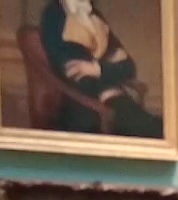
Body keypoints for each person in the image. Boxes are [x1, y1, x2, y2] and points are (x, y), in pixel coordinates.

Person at [38, 0, 165, 138]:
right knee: (153, 132)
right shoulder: (54, 13)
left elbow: (128, 66)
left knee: (161, 130)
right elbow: (71, 69)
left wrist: (97, 69)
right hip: (81, 106)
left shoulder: (95, 16)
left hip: (115, 101)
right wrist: (108, 71)